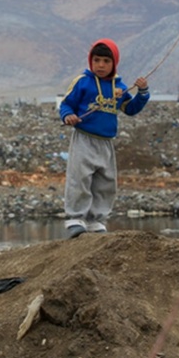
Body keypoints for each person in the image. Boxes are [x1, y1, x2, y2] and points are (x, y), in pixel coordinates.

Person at [58, 38, 150, 238]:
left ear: (114, 63)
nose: (100, 65)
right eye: (97, 60)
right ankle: (75, 218)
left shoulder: (120, 88)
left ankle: (95, 221)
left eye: (106, 61)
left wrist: (142, 92)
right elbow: (66, 104)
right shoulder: (83, 82)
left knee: (105, 182)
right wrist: (68, 116)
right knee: (80, 179)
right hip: (84, 138)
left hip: (106, 142)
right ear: (91, 61)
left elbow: (131, 109)